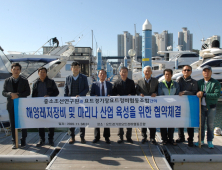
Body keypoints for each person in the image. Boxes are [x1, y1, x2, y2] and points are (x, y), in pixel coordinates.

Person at [2, 63, 30, 149]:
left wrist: (18, 95)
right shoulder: (7, 81)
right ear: (11, 70)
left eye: (18, 69)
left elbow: (28, 92)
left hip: (21, 104)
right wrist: (10, 94)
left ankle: (23, 140)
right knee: (13, 124)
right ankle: (14, 141)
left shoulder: (24, 80)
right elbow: (3, 92)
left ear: (20, 70)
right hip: (11, 105)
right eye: (14, 69)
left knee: (23, 123)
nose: (16, 71)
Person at [32, 67, 59, 147]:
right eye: (41, 72)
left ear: (46, 73)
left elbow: (56, 92)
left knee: (50, 123)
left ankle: (50, 139)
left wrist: (49, 96)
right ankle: (42, 140)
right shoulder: (35, 83)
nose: (42, 73)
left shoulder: (51, 82)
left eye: (44, 72)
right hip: (39, 106)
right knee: (40, 124)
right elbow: (33, 95)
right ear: (38, 73)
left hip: (49, 106)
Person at [195, 65, 221, 149]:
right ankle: (201, 140)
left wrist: (204, 94)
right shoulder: (199, 82)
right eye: (204, 71)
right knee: (200, 125)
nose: (206, 73)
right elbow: (196, 92)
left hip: (211, 107)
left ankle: (210, 141)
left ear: (211, 72)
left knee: (210, 125)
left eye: (208, 71)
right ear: (202, 72)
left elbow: (217, 95)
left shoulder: (216, 83)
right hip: (201, 106)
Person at [64, 61, 89, 144]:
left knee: (82, 120)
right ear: (71, 69)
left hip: (81, 102)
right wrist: (66, 100)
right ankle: (72, 137)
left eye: (77, 67)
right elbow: (65, 91)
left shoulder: (84, 77)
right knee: (72, 120)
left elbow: (86, 89)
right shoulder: (68, 78)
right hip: (71, 102)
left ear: (79, 69)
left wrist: (80, 95)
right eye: (74, 67)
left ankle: (82, 137)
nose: (76, 69)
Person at [112, 67, 136, 144]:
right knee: (120, 121)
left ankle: (128, 136)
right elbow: (113, 92)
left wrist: (130, 94)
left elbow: (134, 92)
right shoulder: (116, 82)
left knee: (129, 121)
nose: (123, 73)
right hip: (119, 105)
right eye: (122, 72)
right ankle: (120, 136)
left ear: (127, 73)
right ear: (120, 73)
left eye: (125, 72)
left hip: (129, 105)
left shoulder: (131, 82)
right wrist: (117, 95)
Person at [176, 65, 198, 147]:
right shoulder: (179, 80)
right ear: (182, 71)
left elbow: (194, 92)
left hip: (190, 104)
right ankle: (181, 137)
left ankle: (190, 139)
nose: (186, 71)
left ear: (191, 72)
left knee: (190, 123)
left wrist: (185, 92)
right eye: (184, 70)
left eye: (188, 70)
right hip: (180, 104)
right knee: (180, 121)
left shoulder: (194, 82)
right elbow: (176, 90)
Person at [136, 66, 158, 144]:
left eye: (149, 71)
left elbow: (158, 90)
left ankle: (152, 137)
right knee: (143, 121)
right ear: (143, 72)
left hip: (153, 104)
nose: (147, 72)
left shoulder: (155, 81)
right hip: (143, 105)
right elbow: (137, 90)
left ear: (151, 72)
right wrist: (139, 94)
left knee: (153, 121)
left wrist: (156, 93)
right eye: (146, 71)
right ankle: (144, 137)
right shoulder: (139, 81)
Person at [158, 69, 180, 146]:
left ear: (171, 75)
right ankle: (164, 139)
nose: (167, 76)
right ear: (164, 75)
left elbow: (177, 95)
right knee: (163, 124)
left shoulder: (176, 84)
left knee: (171, 123)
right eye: (166, 74)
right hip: (163, 107)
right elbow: (160, 94)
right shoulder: (161, 84)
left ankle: (171, 139)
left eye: (169, 74)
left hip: (173, 107)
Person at [90, 69, 112, 144]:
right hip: (97, 106)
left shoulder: (109, 85)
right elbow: (91, 94)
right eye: (100, 74)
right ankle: (97, 137)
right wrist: (94, 96)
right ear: (98, 75)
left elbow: (112, 93)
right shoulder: (94, 84)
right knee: (97, 122)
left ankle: (107, 137)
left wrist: (110, 95)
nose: (102, 75)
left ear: (106, 76)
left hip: (107, 106)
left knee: (106, 122)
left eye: (103, 74)